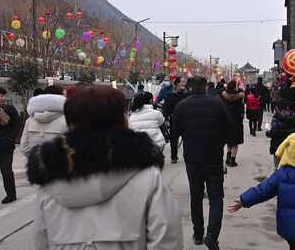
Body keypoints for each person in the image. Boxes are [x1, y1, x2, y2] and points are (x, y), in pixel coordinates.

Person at [26, 86, 183, 250]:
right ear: (122, 118)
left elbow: (41, 239)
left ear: (70, 122)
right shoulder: (147, 176)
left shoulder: (50, 175)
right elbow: (166, 239)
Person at [173, 76, 230, 249]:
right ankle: (212, 235)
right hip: (213, 157)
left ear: (190, 87)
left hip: (192, 158)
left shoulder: (182, 106)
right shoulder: (217, 103)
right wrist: (220, 143)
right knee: (216, 198)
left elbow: (175, 132)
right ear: (205, 86)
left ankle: (198, 234)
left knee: (196, 196)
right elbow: (228, 127)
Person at [20, 85, 67, 157]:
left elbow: (24, 146)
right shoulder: (66, 120)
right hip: (58, 165)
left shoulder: (30, 120)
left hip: (35, 164)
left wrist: (34, 159)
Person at [266, 99, 295, 170]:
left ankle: (279, 178)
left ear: (277, 108)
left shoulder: (276, 117)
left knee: (278, 167)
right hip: (291, 145)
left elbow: (273, 132)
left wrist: (268, 131)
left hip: (278, 146)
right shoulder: (294, 116)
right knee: (291, 166)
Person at [163, 77, 189, 163]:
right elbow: (166, 108)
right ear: (177, 84)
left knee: (187, 139)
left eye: (184, 82)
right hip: (174, 120)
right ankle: (174, 157)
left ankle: (187, 156)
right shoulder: (171, 95)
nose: (184, 83)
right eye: (182, 82)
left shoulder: (187, 95)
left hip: (186, 120)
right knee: (174, 140)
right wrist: (166, 117)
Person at [220, 80, 244, 167]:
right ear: (235, 86)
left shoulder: (223, 95)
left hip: (226, 120)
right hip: (236, 120)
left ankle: (227, 158)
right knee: (235, 142)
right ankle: (233, 160)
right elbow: (241, 108)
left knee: (229, 141)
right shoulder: (240, 96)